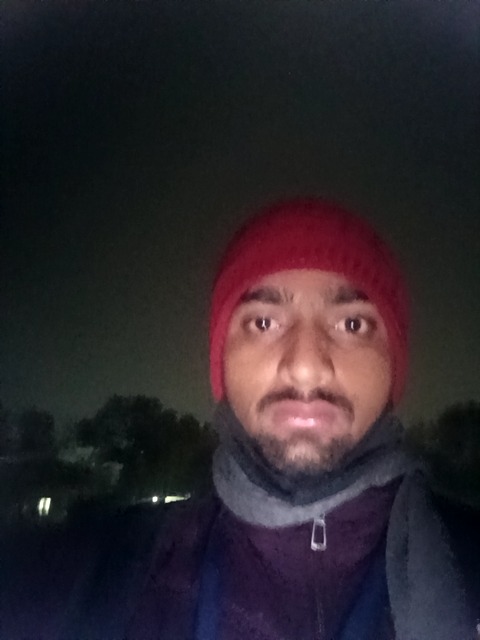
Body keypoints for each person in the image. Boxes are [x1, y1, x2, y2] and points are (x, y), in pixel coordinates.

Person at [2, 199, 479, 639]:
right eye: (263, 323)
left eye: (352, 324)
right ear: (222, 361)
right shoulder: (100, 573)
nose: (306, 366)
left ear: (394, 362)